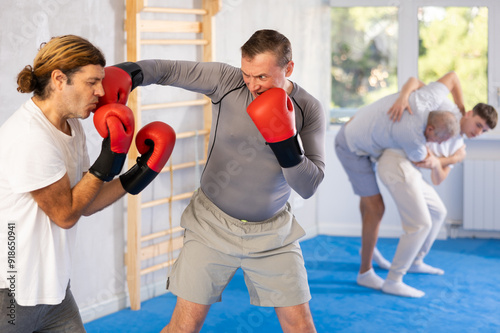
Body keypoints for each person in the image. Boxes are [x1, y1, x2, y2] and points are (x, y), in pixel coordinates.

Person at [102, 29, 325, 332]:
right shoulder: (226, 81)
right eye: (247, 74)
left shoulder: (308, 109)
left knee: (301, 326)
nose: (251, 84)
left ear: (288, 68)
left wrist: (286, 145)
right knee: (184, 325)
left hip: (273, 234)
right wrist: (130, 73)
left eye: (261, 77)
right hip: (210, 225)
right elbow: (169, 70)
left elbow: (309, 186)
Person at [0, 35, 175, 332]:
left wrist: (141, 171)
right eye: (92, 82)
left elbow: (86, 201)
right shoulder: (30, 136)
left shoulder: (72, 127)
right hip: (13, 294)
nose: (101, 91)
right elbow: (65, 215)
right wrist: (108, 159)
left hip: (54, 291)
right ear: (59, 80)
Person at [374, 73, 498, 297]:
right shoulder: (447, 106)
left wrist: (444, 161)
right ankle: (394, 279)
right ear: (469, 113)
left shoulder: (458, 144)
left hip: (411, 169)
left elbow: (437, 178)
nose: (478, 133)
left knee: (439, 211)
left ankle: (416, 260)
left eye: (484, 131)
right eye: (478, 125)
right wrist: (404, 97)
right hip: (396, 158)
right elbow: (444, 78)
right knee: (420, 224)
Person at [334, 74, 460, 292]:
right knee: (376, 207)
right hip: (351, 147)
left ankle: (369, 249)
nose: (436, 145)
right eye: (438, 140)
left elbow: (435, 79)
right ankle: (365, 273)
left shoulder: (425, 100)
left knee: (369, 203)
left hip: (360, 133)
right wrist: (454, 158)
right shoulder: (412, 135)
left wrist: (404, 95)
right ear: (430, 130)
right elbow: (425, 161)